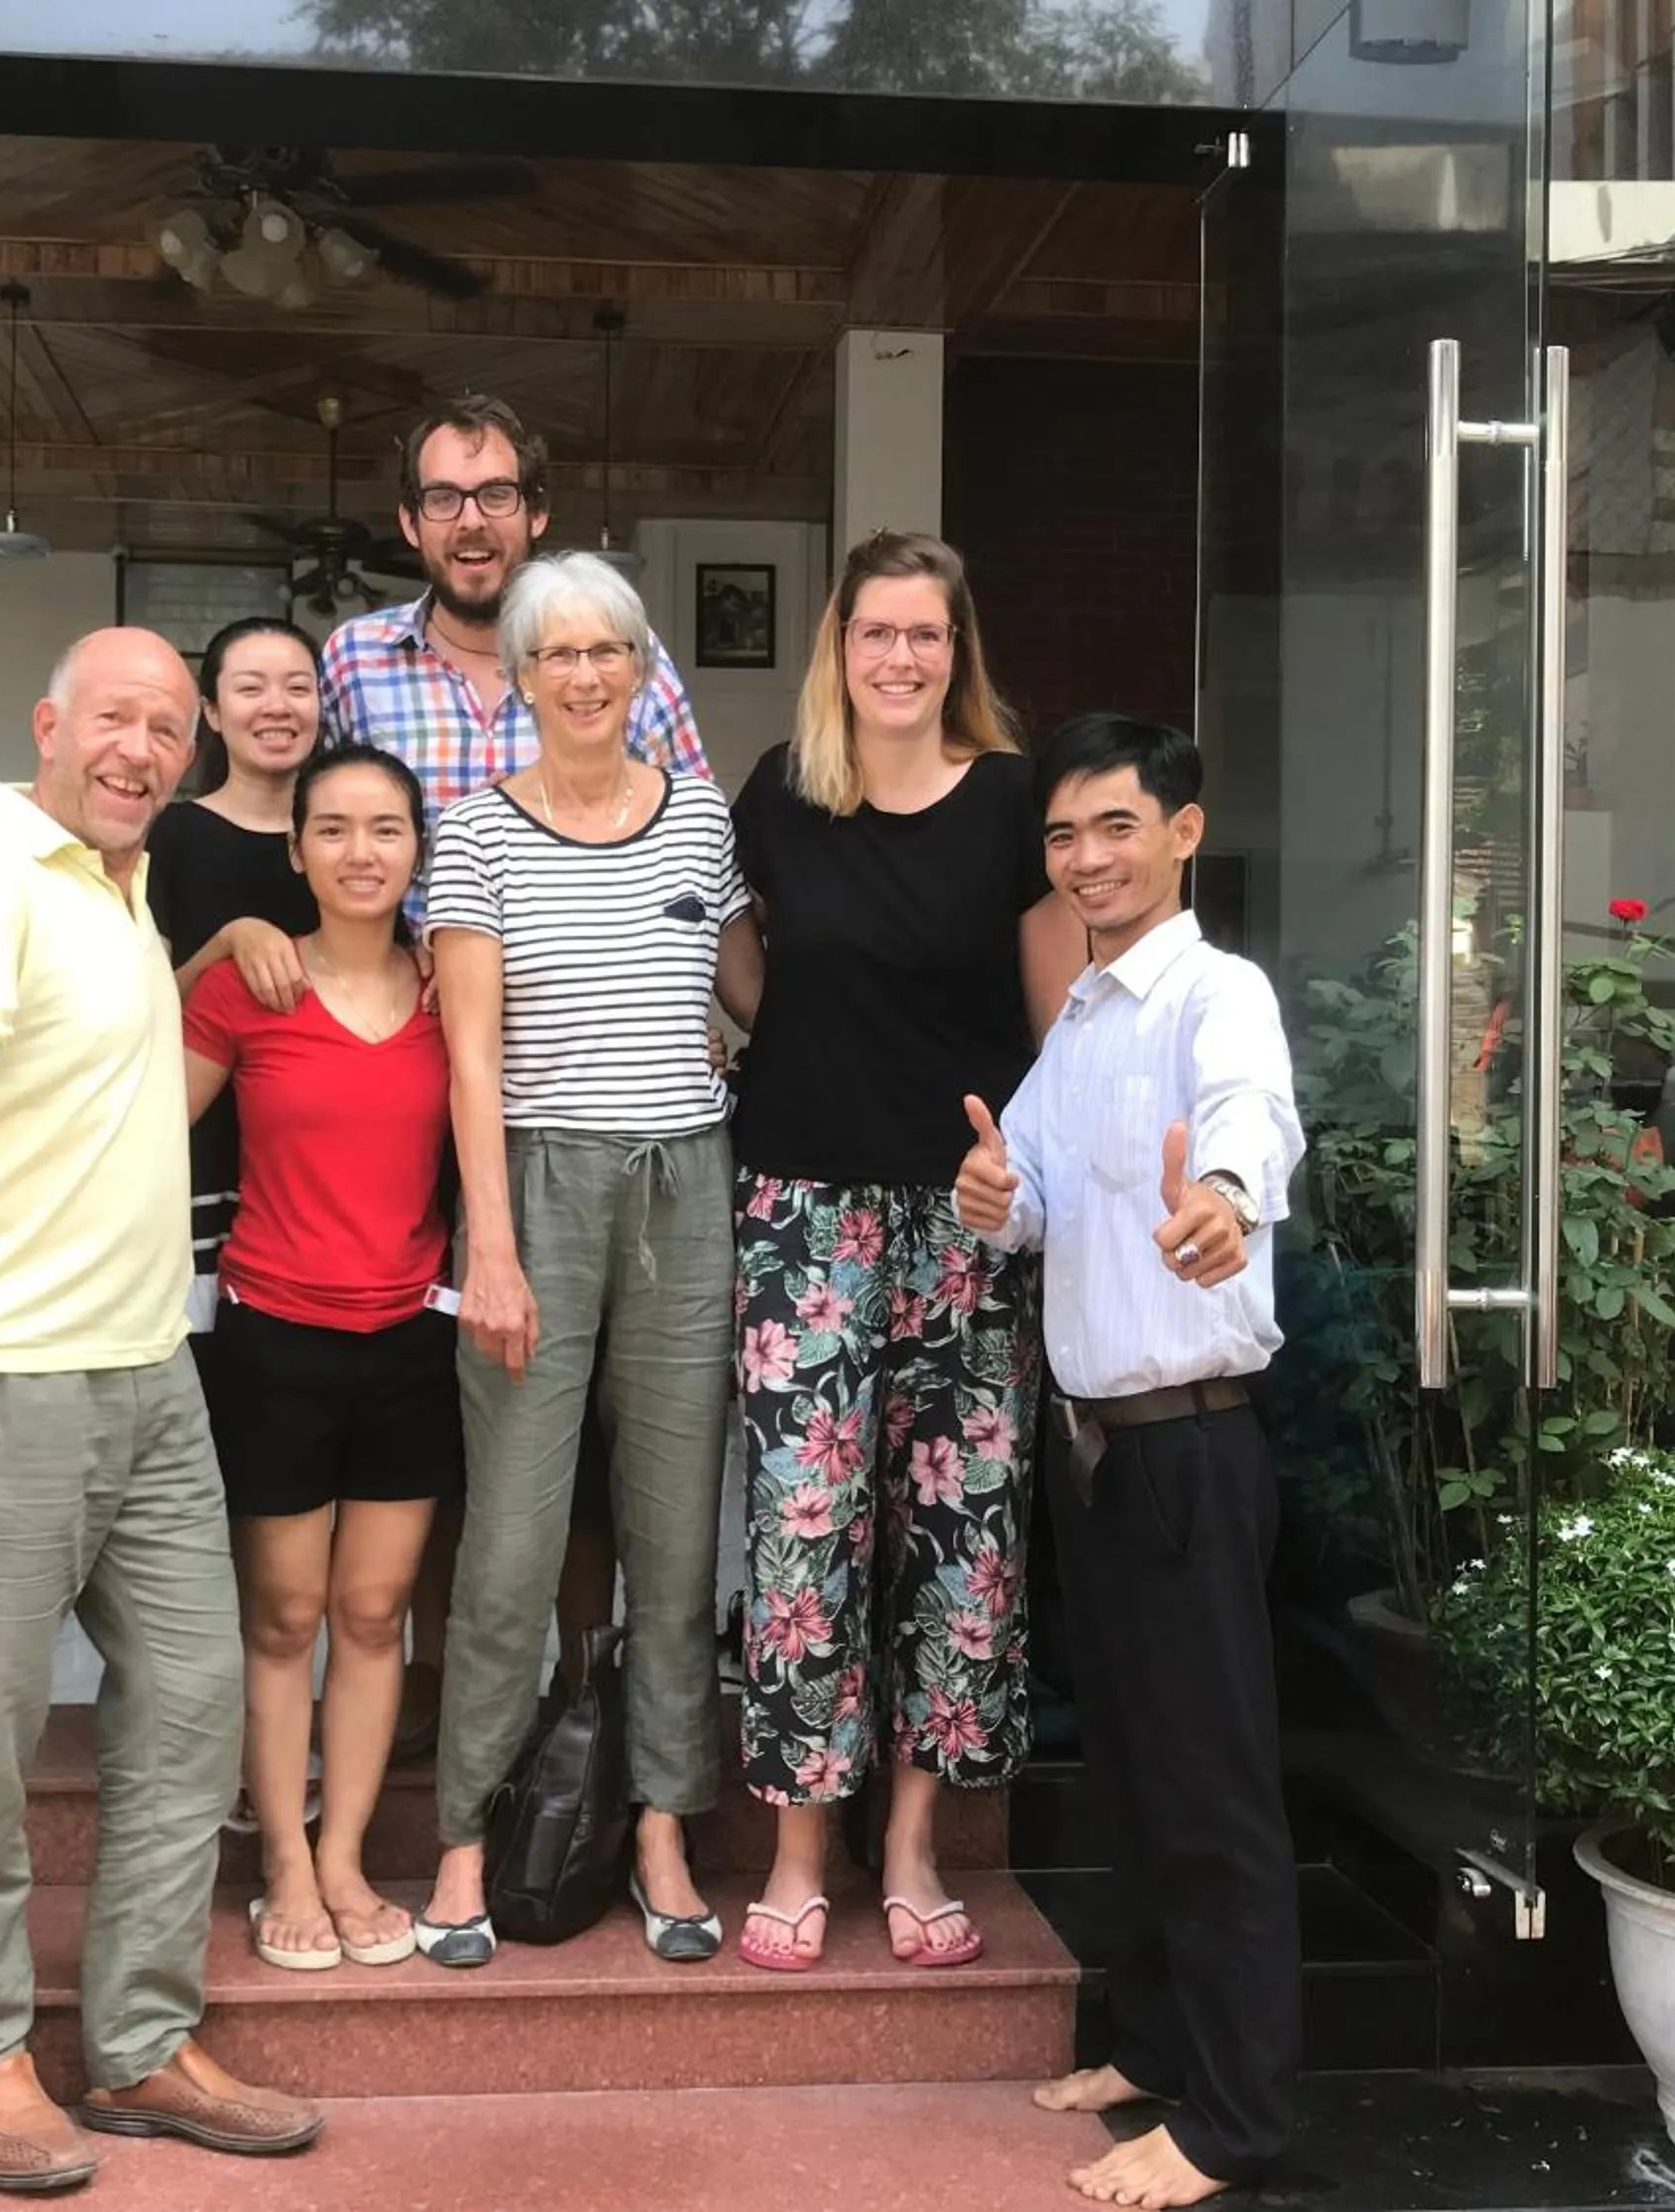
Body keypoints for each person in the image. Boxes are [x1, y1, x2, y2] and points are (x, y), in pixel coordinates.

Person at [0, 627, 322, 2193]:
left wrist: (208, 953)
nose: (142, 747)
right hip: (1, 1375)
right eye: (115, 718)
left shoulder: (120, 894)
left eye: (167, 728)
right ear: (48, 722)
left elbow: (103, 1061)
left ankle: (135, 2042)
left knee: (191, 1707)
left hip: (150, 1372)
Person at [952, 712, 1304, 2210]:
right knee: (1139, 1779)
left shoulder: (1215, 996)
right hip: (1092, 1452)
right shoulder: (1086, 1015)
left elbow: (1253, 1129)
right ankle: (1157, 2045)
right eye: (1062, 835)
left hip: (1191, 1452)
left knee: (1213, 1791)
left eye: (1115, 826)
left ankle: (1235, 2122)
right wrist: (987, 1188)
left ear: (1182, 832)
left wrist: (1223, 1197)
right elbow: (1023, 1196)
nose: (1087, 857)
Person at [318, 393, 707, 1752]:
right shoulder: (357, 661)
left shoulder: (627, 665)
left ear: (537, 512)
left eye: (493, 494)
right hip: (422, 1086)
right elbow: (314, 835)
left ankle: (589, 1701)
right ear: (413, 521)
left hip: (597, 1106)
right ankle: (431, 1705)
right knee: (448, 1409)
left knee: (607, 1440)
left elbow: (704, 876)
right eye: (442, 497)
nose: (468, 520)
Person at [716, 531, 1078, 1974]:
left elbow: (1056, 1021)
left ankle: (914, 1842)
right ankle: (804, 1848)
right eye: (877, 632)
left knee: (963, 1535)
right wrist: (786, 1038)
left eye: (927, 634)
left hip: (962, 1217)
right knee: (804, 1529)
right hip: (802, 1204)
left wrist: (1031, 1167)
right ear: (840, 645)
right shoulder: (783, 794)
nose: (902, 658)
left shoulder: (1010, 803)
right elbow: (744, 958)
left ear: (955, 650)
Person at [416, 552, 750, 1968]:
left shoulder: (701, 824)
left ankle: (665, 1818)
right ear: (527, 675)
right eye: (561, 652)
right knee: (511, 1532)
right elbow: (470, 1054)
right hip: (538, 1182)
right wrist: (488, 1244)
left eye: (613, 648)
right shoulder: (475, 830)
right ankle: (464, 1834)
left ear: (642, 667)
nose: (588, 673)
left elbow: (754, 993)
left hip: (689, 1179)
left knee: (676, 1529)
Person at [180, 742, 458, 1979]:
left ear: (416, 849)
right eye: (333, 830)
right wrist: (205, 948)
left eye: (386, 829)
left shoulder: (453, 989)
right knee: (286, 1614)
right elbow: (133, 1115)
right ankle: (283, 1859)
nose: (361, 852)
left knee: (373, 1611)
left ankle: (344, 1855)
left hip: (410, 1335)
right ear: (295, 851)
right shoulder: (253, 984)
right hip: (273, 1334)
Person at [143, 617, 323, 1332]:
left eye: (298, 688)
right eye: (251, 689)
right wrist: (226, 943)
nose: (277, 706)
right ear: (212, 713)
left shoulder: (346, 835)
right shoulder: (173, 835)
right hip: (205, 1152)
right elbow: (139, 1011)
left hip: (323, 1164)